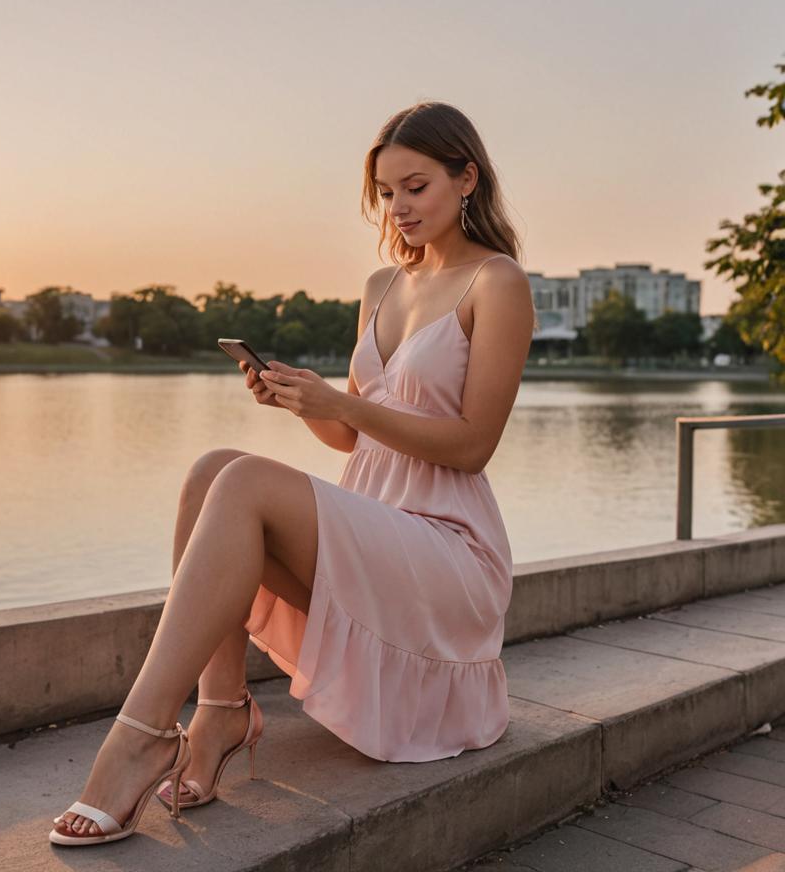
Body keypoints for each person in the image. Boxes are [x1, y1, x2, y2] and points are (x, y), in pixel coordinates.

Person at [49, 100, 536, 846]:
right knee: (213, 468)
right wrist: (300, 402)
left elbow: (472, 445)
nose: (398, 207)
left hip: (447, 550)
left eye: (416, 186)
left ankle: (142, 737)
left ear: (466, 178)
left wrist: (344, 401)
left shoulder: (496, 283)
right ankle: (219, 710)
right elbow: (349, 436)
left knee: (239, 482)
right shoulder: (382, 287)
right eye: (386, 192)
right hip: (379, 523)